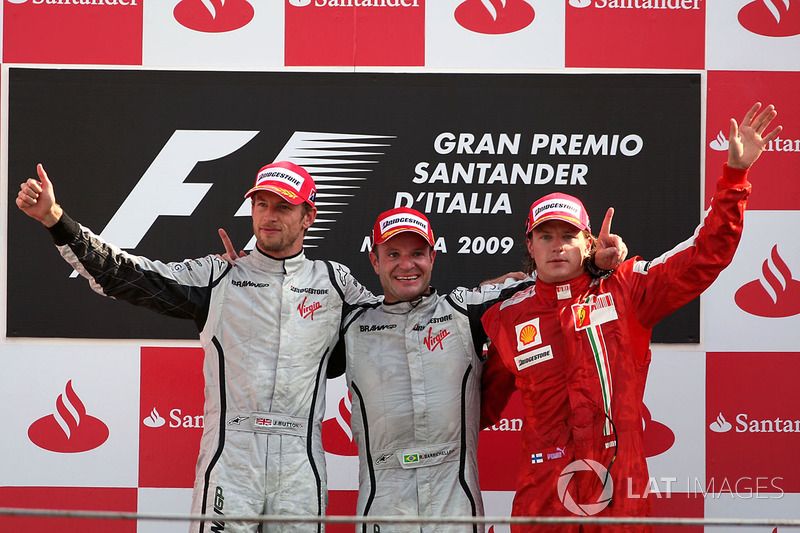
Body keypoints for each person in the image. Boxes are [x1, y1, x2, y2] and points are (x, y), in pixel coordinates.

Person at [16, 160, 377, 533]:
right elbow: (130, 276)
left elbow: (390, 329)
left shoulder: (335, 283)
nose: (269, 216)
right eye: (261, 204)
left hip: (301, 464)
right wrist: (57, 220)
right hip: (231, 459)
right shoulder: (219, 275)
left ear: (307, 216)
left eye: (284, 207)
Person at [479, 102, 782, 533]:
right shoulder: (505, 316)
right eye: (545, 236)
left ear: (588, 243)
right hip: (544, 496)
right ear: (530, 246)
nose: (557, 246)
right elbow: (474, 406)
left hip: (620, 486)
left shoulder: (627, 290)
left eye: (568, 236)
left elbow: (704, 256)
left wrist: (734, 177)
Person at [332, 207, 626, 533]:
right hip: (382, 508)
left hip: (454, 506)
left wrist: (593, 264)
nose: (406, 264)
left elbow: (547, 279)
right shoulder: (351, 326)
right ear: (375, 261)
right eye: (393, 254)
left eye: (417, 253)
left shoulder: (465, 311)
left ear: (433, 256)